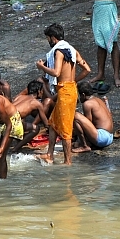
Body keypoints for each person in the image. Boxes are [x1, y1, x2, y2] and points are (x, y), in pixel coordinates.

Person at [35, 23, 91, 165]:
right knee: (53, 123)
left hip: (66, 91)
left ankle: (68, 162)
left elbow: (56, 72)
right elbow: (87, 69)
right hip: (69, 89)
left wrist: (41, 67)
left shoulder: (59, 51)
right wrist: (73, 80)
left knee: (65, 129)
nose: (48, 41)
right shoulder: (72, 50)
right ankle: (49, 154)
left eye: (48, 38)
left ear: (53, 38)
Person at [72, 81, 114, 153]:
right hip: (110, 136)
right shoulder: (98, 99)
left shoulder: (87, 104)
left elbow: (87, 126)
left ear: (83, 95)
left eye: (79, 95)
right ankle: (88, 143)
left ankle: (84, 146)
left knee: (76, 115)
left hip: (102, 138)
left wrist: (78, 139)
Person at [11, 80, 51, 150]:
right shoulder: (36, 103)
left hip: (5, 120)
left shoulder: (19, 97)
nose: (42, 93)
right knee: (36, 129)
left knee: (21, 121)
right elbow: (46, 124)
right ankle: (16, 148)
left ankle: (18, 139)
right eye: (42, 91)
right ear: (39, 91)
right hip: (13, 124)